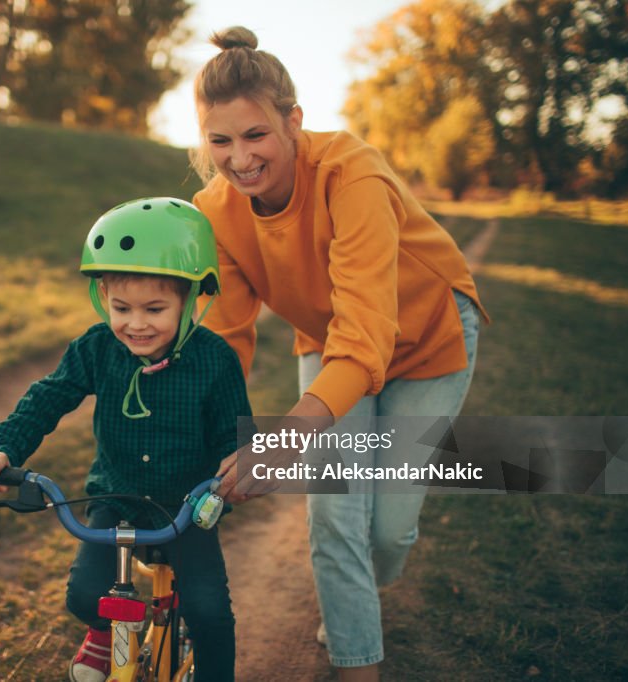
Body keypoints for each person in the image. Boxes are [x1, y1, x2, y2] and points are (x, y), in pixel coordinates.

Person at [189, 26, 488, 681]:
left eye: (255, 135)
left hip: (431, 334)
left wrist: (280, 443)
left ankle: (358, 600)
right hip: (332, 341)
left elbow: (368, 335)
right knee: (335, 510)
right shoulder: (215, 212)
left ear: (293, 121)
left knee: (388, 532)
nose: (239, 159)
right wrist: (199, 423)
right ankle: (356, 655)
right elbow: (228, 341)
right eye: (220, 142)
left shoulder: (350, 171)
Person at [0, 197, 252, 682]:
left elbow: (233, 432)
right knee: (85, 595)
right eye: (121, 308)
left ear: (191, 299)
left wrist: (237, 463)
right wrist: (5, 446)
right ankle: (104, 632)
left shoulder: (215, 360)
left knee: (209, 613)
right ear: (103, 298)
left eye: (154, 309)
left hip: (186, 507)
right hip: (114, 498)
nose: (135, 324)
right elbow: (49, 396)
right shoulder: (98, 348)